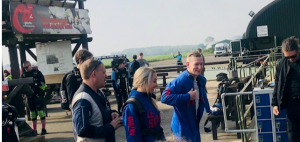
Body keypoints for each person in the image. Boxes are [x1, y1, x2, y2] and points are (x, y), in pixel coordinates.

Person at [161, 50, 210, 142]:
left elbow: (203, 95)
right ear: (187, 64)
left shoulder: (201, 79)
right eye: (196, 64)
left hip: (194, 125)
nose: (200, 67)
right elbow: (164, 97)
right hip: (181, 128)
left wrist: (209, 109)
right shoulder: (180, 81)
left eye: (201, 64)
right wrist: (187, 96)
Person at [72, 58, 122, 142]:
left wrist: (112, 113)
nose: (106, 75)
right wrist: (110, 127)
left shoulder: (98, 92)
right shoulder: (83, 99)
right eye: (103, 72)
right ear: (94, 74)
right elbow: (82, 130)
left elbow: (100, 113)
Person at [122, 67, 166, 142]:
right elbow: (133, 137)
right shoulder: (131, 106)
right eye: (154, 81)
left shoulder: (149, 98)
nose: (157, 85)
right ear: (144, 81)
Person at [272, 36, 300, 142]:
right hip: (291, 106)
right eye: (287, 57)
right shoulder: (281, 64)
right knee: (293, 137)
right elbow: (278, 84)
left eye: (293, 56)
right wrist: (275, 103)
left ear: (298, 50)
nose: (291, 59)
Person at [22, 61, 47, 135]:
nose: (26, 69)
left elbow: (43, 84)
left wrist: (40, 93)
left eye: (27, 67)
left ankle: (43, 129)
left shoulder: (37, 73)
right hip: (29, 97)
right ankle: (34, 130)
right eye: (24, 68)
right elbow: (21, 86)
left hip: (38, 96)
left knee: (41, 113)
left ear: (30, 66)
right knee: (32, 114)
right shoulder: (24, 75)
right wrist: (23, 93)